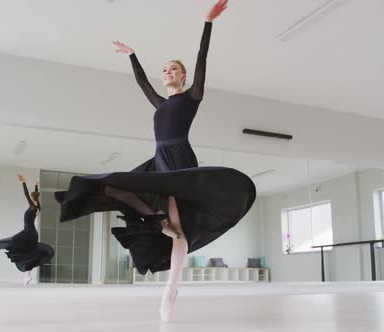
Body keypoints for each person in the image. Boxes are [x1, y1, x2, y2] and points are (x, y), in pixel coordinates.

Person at [56, 0, 255, 322]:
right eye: (164, 70)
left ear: (183, 76)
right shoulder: (159, 102)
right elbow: (141, 83)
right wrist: (133, 55)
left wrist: (208, 22)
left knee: (180, 230)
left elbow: (202, 59)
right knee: (113, 187)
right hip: (159, 157)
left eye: (173, 69)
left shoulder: (192, 97)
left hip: (179, 157)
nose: (167, 73)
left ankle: (170, 289)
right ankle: (158, 221)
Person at [0, 174, 54, 286]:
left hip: (29, 232)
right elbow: (36, 196)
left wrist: (23, 182)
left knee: (12, 241)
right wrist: (36, 186)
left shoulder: (33, 207)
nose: (29, 197)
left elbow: (26, 194)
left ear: (32, 198)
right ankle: (27, 276)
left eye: (31, 197)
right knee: (29, 253)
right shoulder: (37, 207)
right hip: (32, 233)